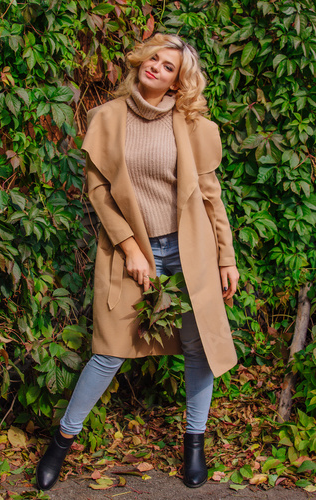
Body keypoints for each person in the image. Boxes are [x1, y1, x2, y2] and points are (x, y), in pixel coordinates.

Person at [36, 33, 239, 491]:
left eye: (170, 67)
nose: (158, 68)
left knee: (198, 348)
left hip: (191, 251)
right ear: (141, 61)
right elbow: (98, 193)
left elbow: (211, 197)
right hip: (132, 251)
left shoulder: (194, 126)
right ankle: (61, 443)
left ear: (176, 82)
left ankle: (194, 443)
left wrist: (226, 257)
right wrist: (130, 247)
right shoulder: (106, 118)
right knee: (108, 351)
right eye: (155, 59)